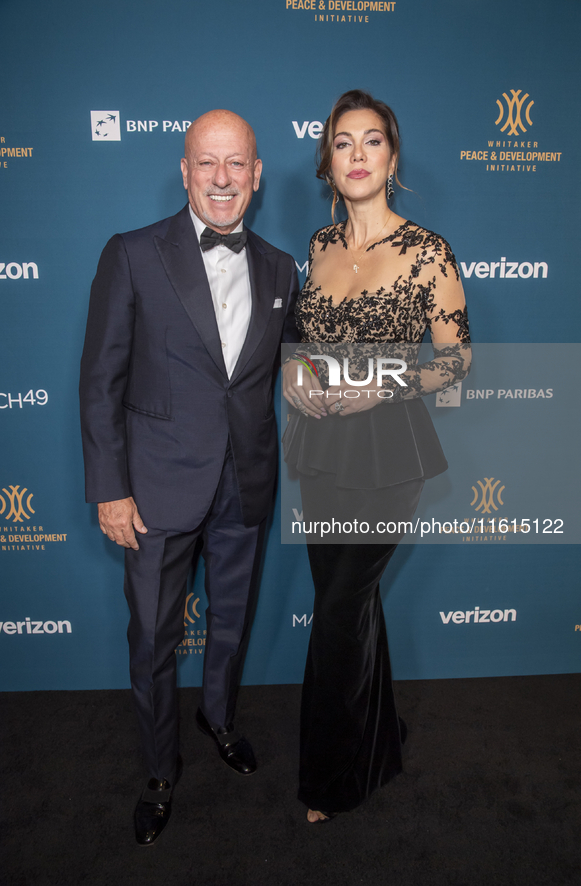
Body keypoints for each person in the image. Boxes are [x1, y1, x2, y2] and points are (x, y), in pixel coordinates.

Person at [80, 109, 298, 845]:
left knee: (230, 629)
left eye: (236, 163)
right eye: (206, 163)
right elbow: (100, 380)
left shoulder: (279, 267)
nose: (222, 178)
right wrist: (109, 488)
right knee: (152, 638)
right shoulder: (133, 253)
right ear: (183, 170)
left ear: (257, 174)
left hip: (246, 483)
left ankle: (221, 720)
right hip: (154, 490)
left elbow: (299, 371)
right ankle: (160, 769)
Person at [283, 90, 470, 822]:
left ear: (392, 158)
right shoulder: (320, 247)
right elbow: (301, 348)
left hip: (389, 452)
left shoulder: (428, 252)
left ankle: (330, 782)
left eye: (371, 142)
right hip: (321, 448)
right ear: (326, 161)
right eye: (342, 143)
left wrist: (380, 385)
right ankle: (380, 738)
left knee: (337, 612)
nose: (356, 155)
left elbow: (455, 364)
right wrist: (298, 378)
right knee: (351, 611)